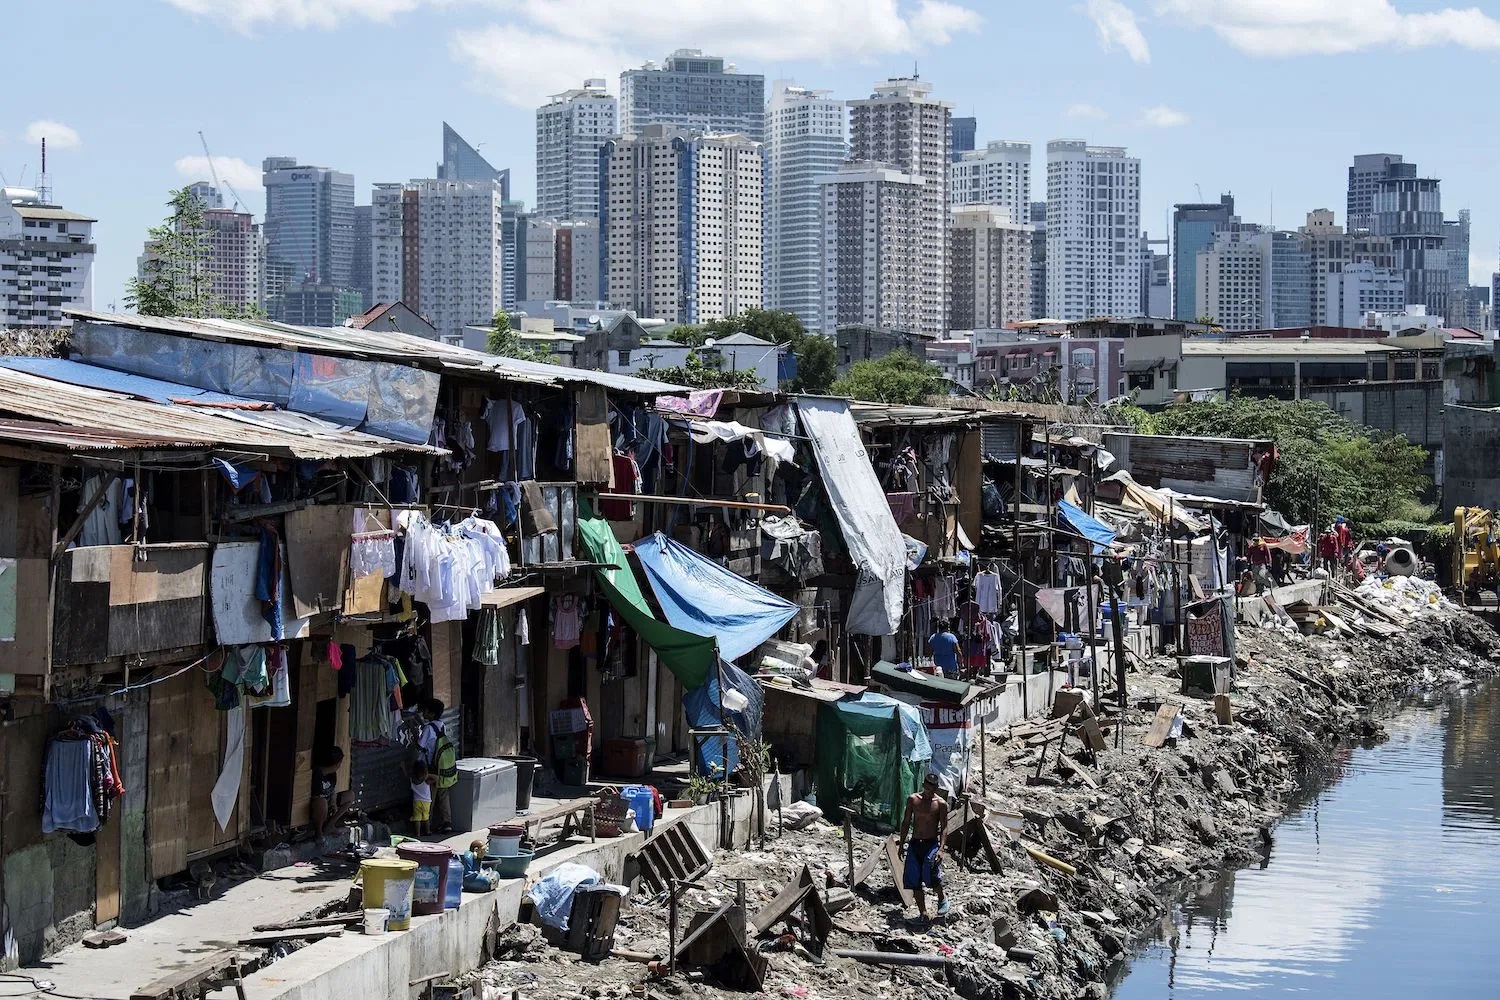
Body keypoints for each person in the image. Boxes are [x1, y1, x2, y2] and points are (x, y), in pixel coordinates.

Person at [898, 773, 950, 923]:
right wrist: (901, 844)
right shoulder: (913, 800)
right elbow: (906, 822)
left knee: (932, 871)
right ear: (923, 786)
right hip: (915, 843)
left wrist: (941, 848)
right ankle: (923, 913)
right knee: (914, 879)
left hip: (931, 844)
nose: (928, 791)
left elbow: (944, 827)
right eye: (926, 787)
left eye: (931, 789)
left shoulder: (940, 804)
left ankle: (942, 898)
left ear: (935, 789)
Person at [418, 699, 458, 834]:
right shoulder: (441, 725)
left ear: (431, 714)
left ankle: (426, 826)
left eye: (426, 711)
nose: (423, 713)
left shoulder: (428, 728)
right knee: (444, 795)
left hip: (431, 768)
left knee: (430, 797)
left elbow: (420, 746)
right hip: (443, 767)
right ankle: (447, 823)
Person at [310, 746, 352, 838]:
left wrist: (333, 800)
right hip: (316, 807)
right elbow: (315, 797)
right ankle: (319, 832)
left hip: (328, 802)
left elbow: (332, 789)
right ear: (337, 764)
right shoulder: (316, 773)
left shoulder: (332, 773)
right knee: (322, 802)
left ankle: (330, 826)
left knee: (350, 795)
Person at [410, 759, 436, 837]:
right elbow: (436, 778)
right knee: (426, 817)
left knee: (417, 818)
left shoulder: (412, 779)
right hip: (426, 802)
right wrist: (427, 775)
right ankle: (428, 831)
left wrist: (403, 767)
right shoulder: (426, 781)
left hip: (416, 801)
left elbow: (406, 774)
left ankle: (417, 833)